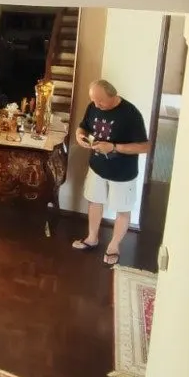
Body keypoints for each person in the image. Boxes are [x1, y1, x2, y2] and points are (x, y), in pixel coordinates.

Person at [72, 79, 150, 267]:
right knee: (94, 201)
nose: (96, 105)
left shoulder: (131, 114)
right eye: (94, 100)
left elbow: (145, 147)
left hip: (123, 172)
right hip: (97, 167)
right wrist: (79, 136)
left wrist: (114, 147)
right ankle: (92, 238)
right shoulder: (93, 106)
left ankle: (114, 246)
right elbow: (83, 126)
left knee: (122, 209)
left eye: (100, 101)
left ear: (113, 95)